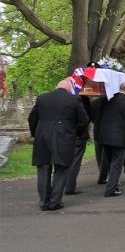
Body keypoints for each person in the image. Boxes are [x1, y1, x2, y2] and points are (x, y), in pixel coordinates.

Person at [28, 79, 89, 211]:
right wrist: (75, 133)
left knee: (43, 168)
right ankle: (55, 201)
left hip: (42, 136)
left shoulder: (42, 98)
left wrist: (35, 133)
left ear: (57, 86)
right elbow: (83, 120)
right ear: (69, 88)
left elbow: (32, 118)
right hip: (64, 137)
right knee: (61, 169)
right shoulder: (74, 100)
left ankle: (44, 202)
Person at [96, 82, 125, 197]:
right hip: (120, 137)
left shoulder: (107, 101)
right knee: (117, 163)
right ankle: (111, 189)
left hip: (105, 136)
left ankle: (114, 184)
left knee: (110, 162)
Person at [64, 95, 92, 195]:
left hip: (65, 134)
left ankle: (61, 185)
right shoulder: (83, 99)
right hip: (79, 136)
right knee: (75, 162)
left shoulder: (67, 98)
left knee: (64, 161)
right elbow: (86, 118)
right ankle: (70, 186)